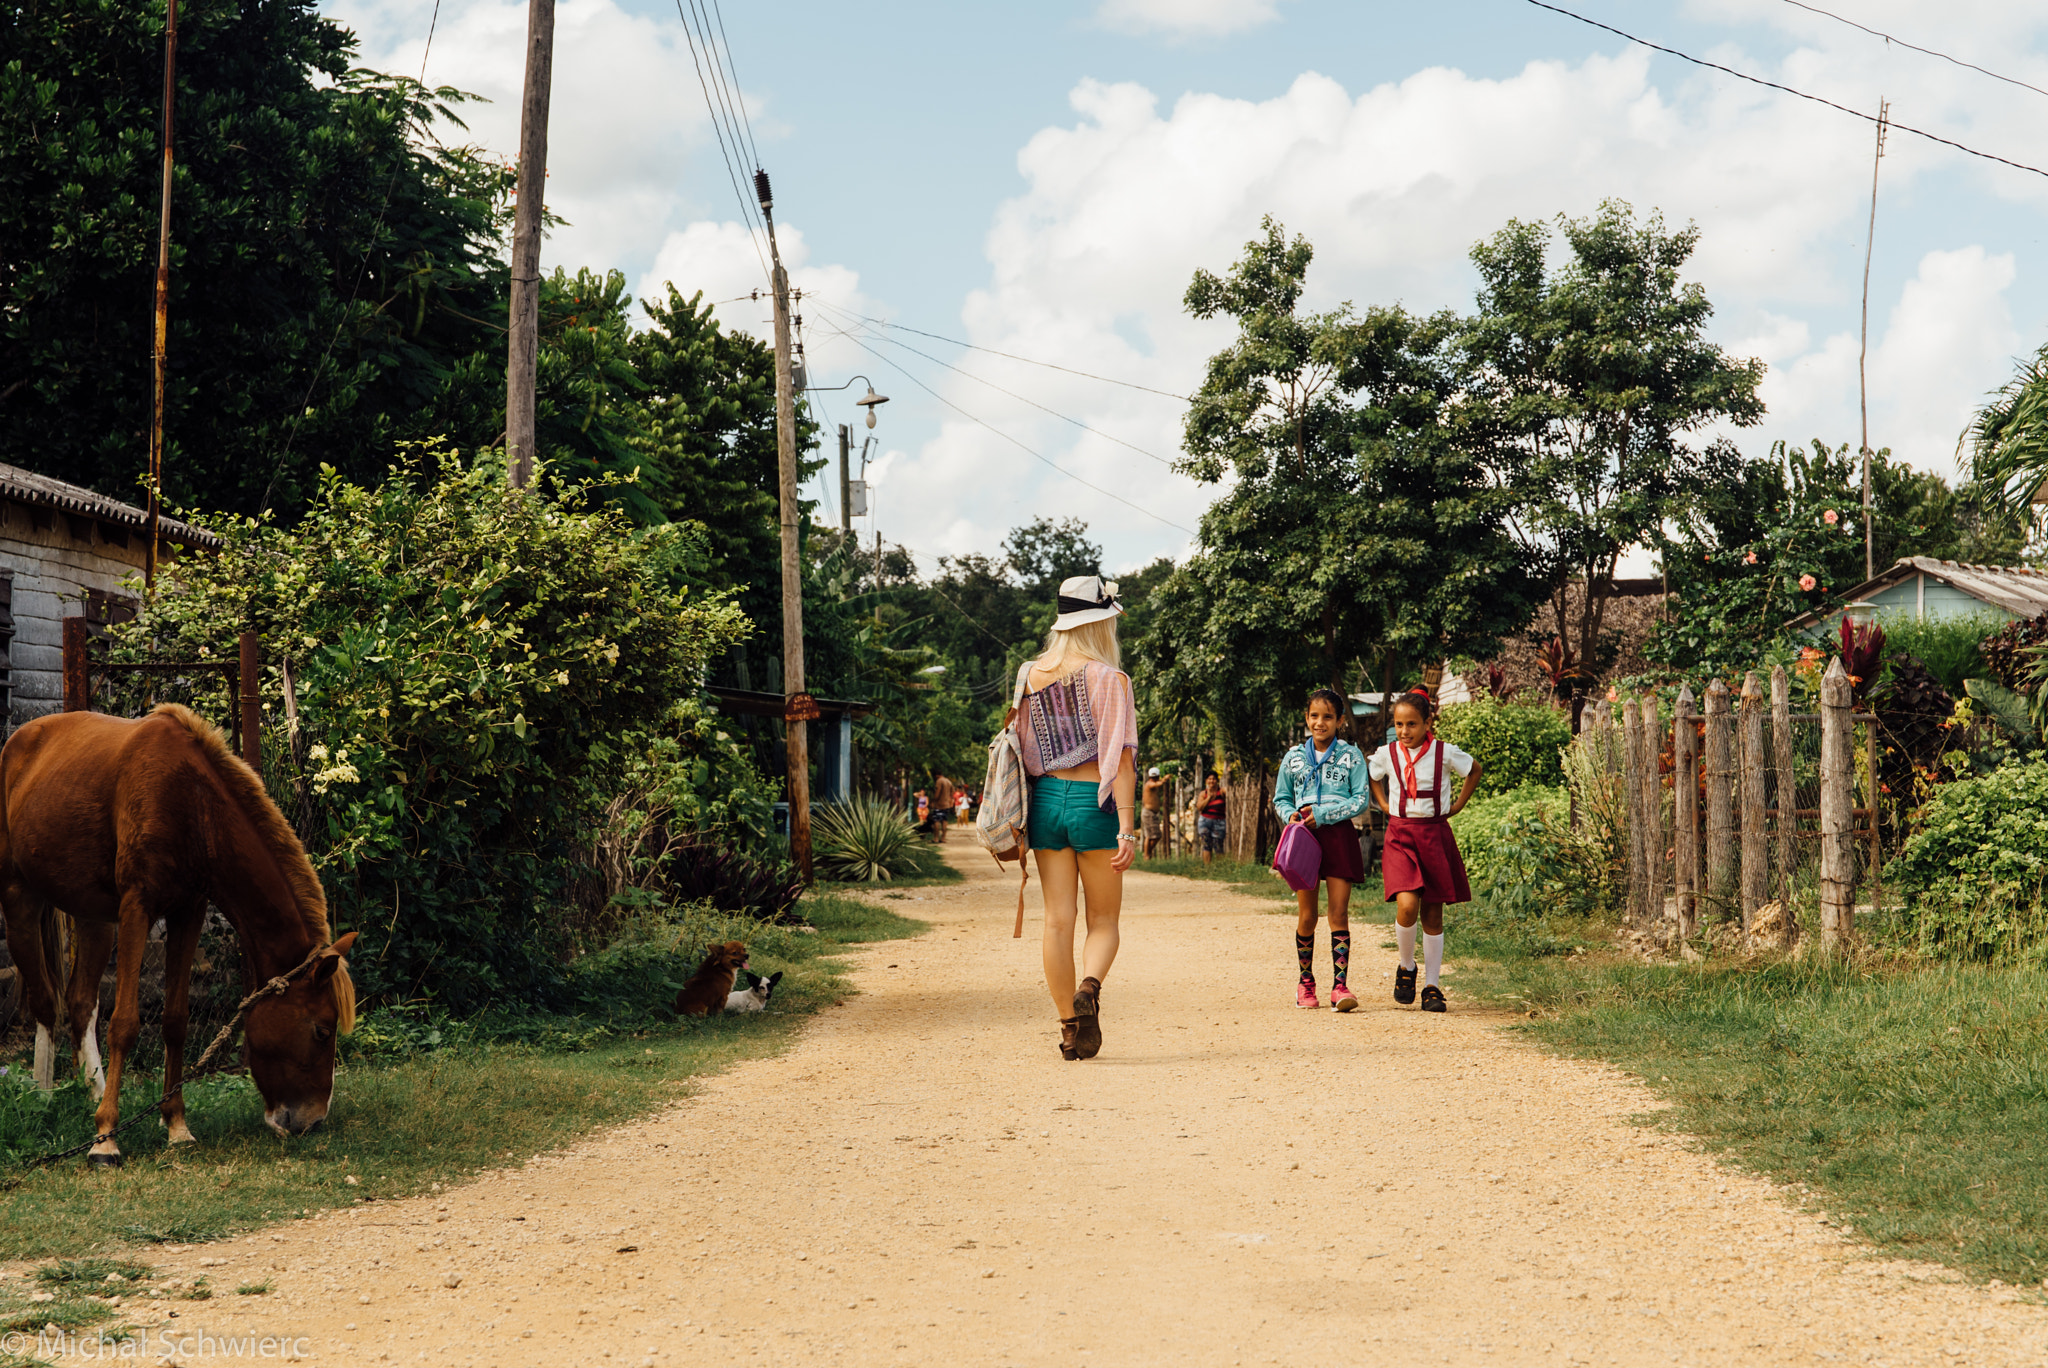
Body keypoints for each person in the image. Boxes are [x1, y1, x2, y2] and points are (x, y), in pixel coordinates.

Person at [1009, 574, 1137, 1061]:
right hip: (1093, 804)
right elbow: (1120, 759)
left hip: (1045, 804)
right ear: (1100, 623)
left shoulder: (1028, 674)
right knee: (1103, 920)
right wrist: (1127, 824)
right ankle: (1089, 988)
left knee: (1057, 921)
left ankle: (1069, 1030)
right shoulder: (1110, 679)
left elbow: (1020, 746)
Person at [1367, 689, 1483, 1013]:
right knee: (1406, 906)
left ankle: (1432, 986)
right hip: (1400, 836)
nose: (1405, 732)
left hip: (1433, 835)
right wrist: (1382, 803)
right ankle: (1406, 967)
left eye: (1412, 724)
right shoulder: (1388, 753)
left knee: (1432, 912)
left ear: (1427, 722)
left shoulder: (1444, 753)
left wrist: (1458, 804)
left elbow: (1474, 770)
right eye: (1399, 724)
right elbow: (1373, 774)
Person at [1272, 688, 1373, 1011]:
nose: (1320, 722)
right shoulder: (1293, 757)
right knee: (1307, 915)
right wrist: (1290, 815)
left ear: (1340, 720)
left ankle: (1340, 987)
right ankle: (1306, 984)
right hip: (1304, 840)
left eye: (1328, 716)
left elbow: (1361, 799)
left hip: (1339, 837)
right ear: (1306, 718)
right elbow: (1281, 797)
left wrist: (1327, 814)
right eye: (1314, 716)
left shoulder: (1351, 756)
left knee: (1339, 913)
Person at [1193, 772, 1227, 864]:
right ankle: (1208, 868)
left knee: (1218, 845)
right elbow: (1199, 807)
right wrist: (1208, 798)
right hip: (1205, 821)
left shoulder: (1222, 791)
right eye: (1209, 779)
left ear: (1217, 781)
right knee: (1206, 845)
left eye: (1214, 779)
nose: (1212, 781)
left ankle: (1220, 868)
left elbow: (1229, 791)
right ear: (1206, 781)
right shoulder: (1203, 793)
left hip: (1219, 822)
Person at [1141, 766, 1168, 859]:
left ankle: (1147, 854)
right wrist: (1164, 780)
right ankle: (1146, 854)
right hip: (1149, 813)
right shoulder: (1149, 784)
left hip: (1151, 813)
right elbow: (1155, 785)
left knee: (1150, 836)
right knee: (1154, 836)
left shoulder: (1152, 784)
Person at [933, 773, 956, 843]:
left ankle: (936, 838)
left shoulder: (939, 781)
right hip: (946, 804)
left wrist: (934, 800)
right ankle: (943, 838)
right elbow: (953, 792)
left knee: (936, 821)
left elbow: (937, 793)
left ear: (937, 775)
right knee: (944, 821)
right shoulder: (948, 781)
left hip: (939, 804)